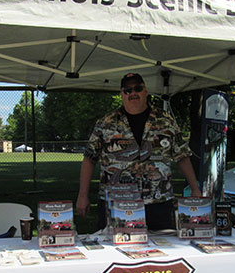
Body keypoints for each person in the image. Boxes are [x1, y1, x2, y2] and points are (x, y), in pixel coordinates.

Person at [76, 73, 202, 230]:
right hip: (117, 203)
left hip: (158, 203)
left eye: (137, 88)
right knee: (113, 251)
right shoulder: (105, 123)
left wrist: (195, 189)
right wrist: (82, 196)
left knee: (162, 250)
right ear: (122, 94)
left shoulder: (166, 121)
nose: (133, 93)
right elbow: (89, 159)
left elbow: (182, 156)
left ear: (145, 91)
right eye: (127, 90)